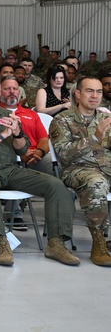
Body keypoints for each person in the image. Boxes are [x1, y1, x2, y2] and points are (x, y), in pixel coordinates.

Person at [0, 73, 78, 266]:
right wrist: (3, 135)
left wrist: (18, 133)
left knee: (55, 184)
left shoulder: (7, 115)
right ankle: (1, 241)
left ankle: (56, 242)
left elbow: (21, 149)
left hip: (10, 168)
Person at [49, 76, 111, 266]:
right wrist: (94, 137)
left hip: (107, 167)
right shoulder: (63, 119)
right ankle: (99, 242)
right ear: (77, 94)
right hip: (78, 170)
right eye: (89, 91)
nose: (95, 96)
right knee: (96, 183)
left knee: (99, 179)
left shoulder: (105, 118)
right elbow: (64, 153)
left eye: (99, 92)